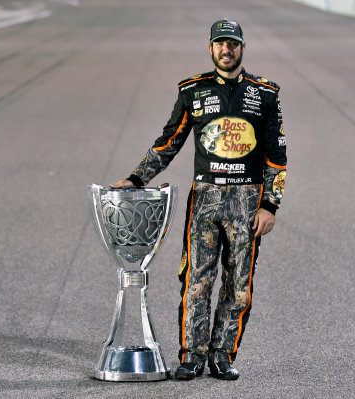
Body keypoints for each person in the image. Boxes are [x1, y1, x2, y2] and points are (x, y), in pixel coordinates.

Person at [111, 19, 287, 380]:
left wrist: (271, 205)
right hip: (204, 200)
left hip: (247, 203)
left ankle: (222, 355)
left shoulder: (265, 93)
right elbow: (168, 141)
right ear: (210, 48)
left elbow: (277, 156)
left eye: (233, 44)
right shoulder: (193, 90)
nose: (227, 50)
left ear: (242, 48)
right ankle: (192, 355)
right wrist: (136, 177)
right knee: (196, 281)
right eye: (220, 43)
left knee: (239, 286)